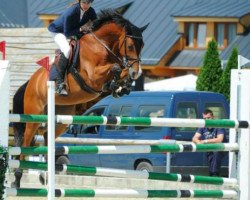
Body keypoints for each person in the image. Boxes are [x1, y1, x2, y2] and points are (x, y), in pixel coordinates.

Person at [48, 0, 97, 96]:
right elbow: (67, 33)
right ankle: (59, 83)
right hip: (58, 31)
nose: (86, 5)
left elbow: (96, 25)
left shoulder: (91, 11)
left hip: (73, 31)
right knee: (67, 50)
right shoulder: (70, 12)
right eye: (84, 2)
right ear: (79, 2)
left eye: (88, 3)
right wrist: (81, 29)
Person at [192, 109, 226, 176]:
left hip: (220, 149)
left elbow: (219, 139)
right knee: (211, 166)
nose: (206, 120)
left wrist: (205, 141)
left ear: (213, 117)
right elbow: (194, 138)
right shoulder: (203, 126)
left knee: (216, 156)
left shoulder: (218, 124)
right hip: (210, 148)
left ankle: (214, 175)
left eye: (208, 118)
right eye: (205, 118)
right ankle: (212, 176)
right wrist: (198, 141)